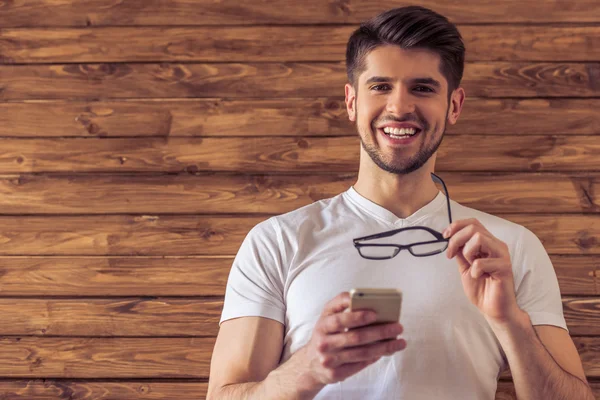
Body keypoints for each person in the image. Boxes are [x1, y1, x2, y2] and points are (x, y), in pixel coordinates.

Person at [207, 5, 593, 400]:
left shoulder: (510, 249)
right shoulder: (277, 241)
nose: (399, 107)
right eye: (380, 86)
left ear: (454, 105)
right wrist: (306, 370)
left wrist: (510, 322)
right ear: (352, 101)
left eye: (422, 88)